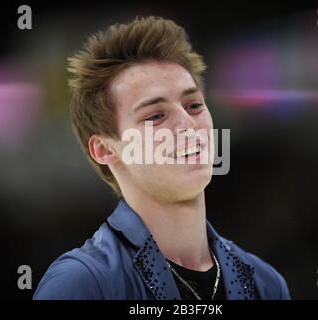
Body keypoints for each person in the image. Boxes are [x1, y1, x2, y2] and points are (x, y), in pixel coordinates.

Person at [33, 16, 290, 300]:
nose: (188, 124)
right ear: (105, 149)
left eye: (193, 105)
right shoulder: (82, 284)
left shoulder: (265, 284)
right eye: (155, 115)